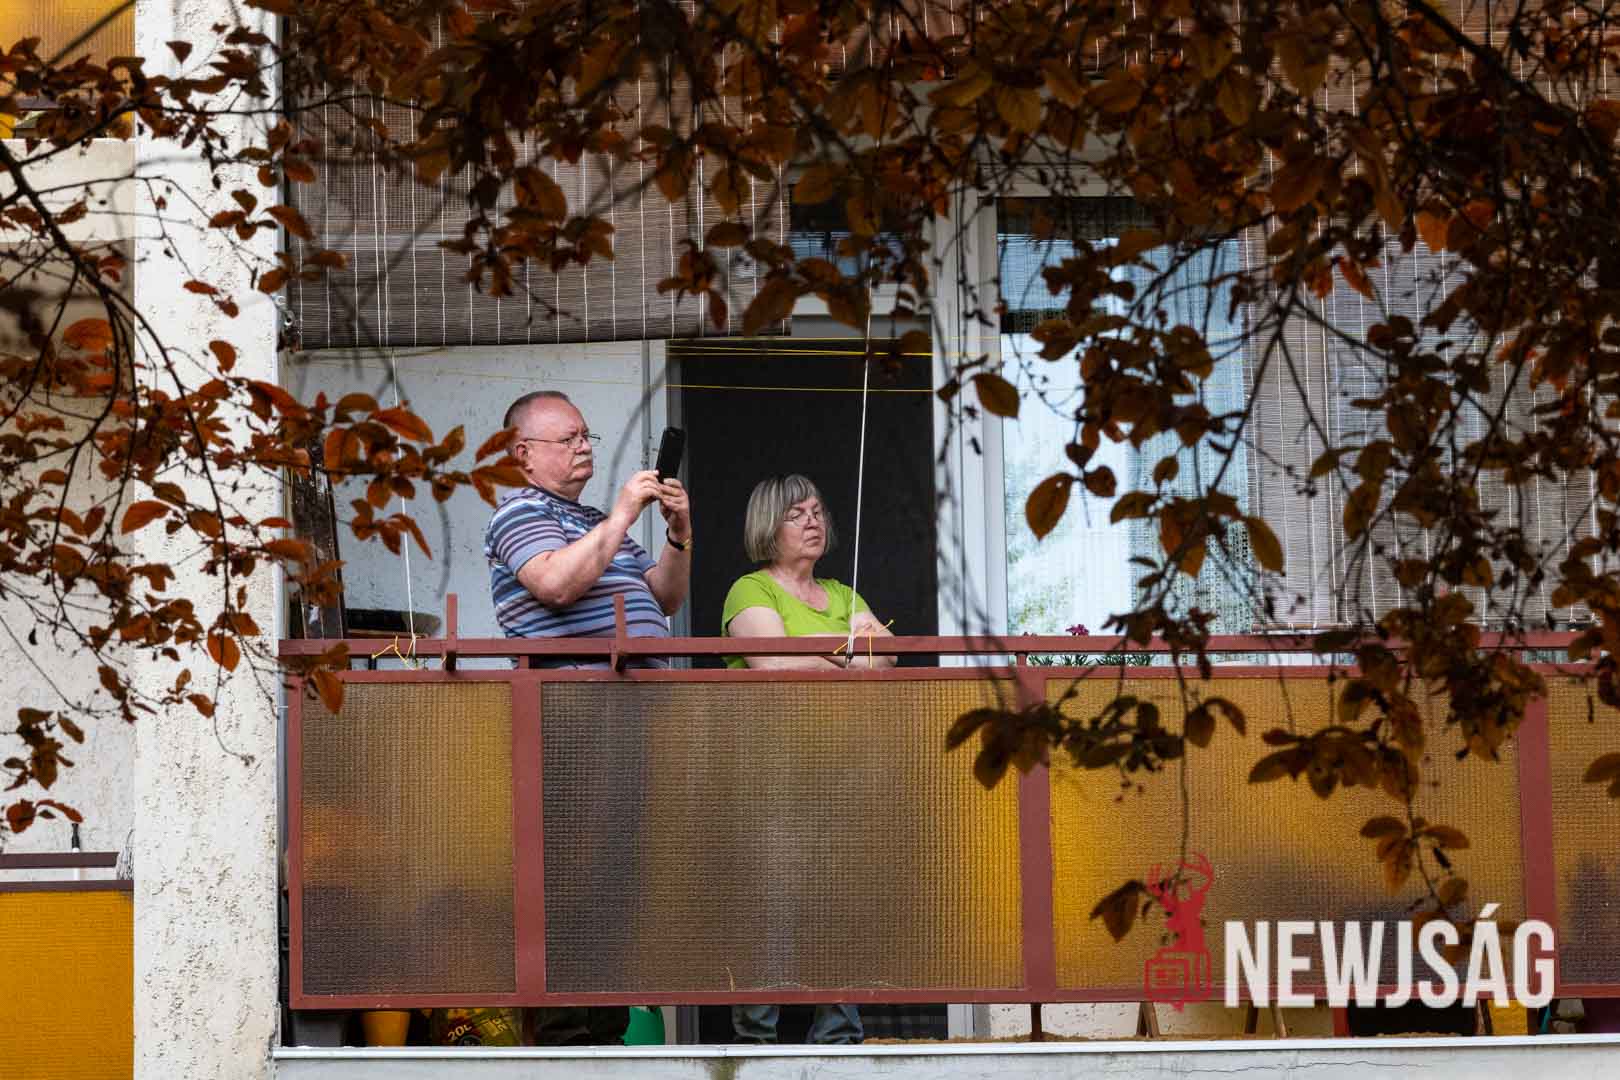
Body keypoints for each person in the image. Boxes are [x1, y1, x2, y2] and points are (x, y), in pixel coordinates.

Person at [483, 389, 691, 1045]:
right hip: (575, 714)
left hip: (628, 714)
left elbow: (664, 596)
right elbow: (554, 585)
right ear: (522, 454)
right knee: (574, 873)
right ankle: (569, 1041)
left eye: (586, 436)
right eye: (568, 437)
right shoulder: (518, 512)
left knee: (618, 877)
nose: (584, 447)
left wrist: (679, 536)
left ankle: (603, 1031)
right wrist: (626, 513)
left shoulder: (594, 521)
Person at [721, 474, 893, 1046]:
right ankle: (755, 1041)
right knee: (770, 904)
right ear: (768, 526)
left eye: (817, 511)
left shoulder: (843, 593)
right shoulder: (750, 590)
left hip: (840, 770)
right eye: (797, 514)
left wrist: (826, 656)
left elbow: (887, 663)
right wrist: (846, 652)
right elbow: (774, 666)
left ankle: (838, 1036)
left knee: (840, 903)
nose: (813, 521)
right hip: (770, 772)